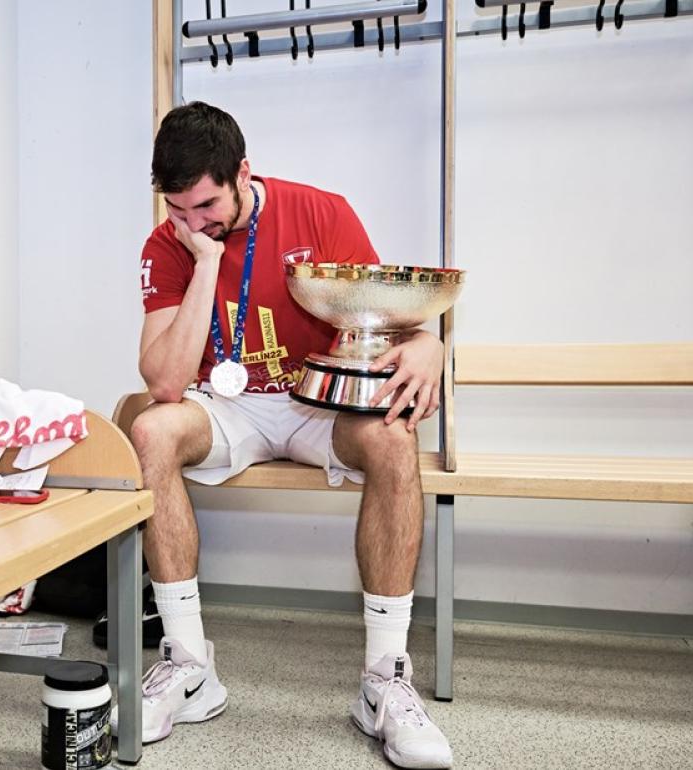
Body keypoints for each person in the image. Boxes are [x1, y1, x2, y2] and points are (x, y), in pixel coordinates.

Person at [131, 101, 452, 769]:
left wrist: (430, 344)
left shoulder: (321, 213)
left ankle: (385, 681)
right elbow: (164, 381)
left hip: (315, 407)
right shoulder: (169, 246)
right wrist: (207, 263)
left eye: (207, 206)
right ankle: (189, 667)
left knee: (395, 441)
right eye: (177, 210)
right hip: (227, 406)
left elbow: (385, 317)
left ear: (243, 172)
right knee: (151, 429)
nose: (191, 223)